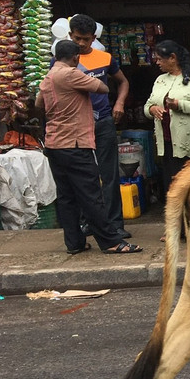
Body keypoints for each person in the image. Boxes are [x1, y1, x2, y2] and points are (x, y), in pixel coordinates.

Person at [39, 40, 143, 255]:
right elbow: (102, 88)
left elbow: (39, 103)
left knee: (67, 196)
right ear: (76, 57)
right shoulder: (70, 74)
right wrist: (84, 79)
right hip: (75, 142)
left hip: (54, 144)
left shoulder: (48, 77)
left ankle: (74, 243)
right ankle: (111, 241)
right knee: (91, 194)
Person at [67, 14, 132, 239]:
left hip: (103, 121)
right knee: (85, 176)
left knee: (110, 175)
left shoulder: (104, 58)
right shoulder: (61, 61)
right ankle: (88, 223)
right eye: (77, 39)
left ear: (94, 37)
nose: (82, 44)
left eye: (86, 39)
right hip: (75, 125)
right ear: (69, 36)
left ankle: (115, 225)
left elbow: (123, 81)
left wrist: (120, 102)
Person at [144, 40, 190, 194]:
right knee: (172, 188)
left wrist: (181, 105)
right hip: (167, 144)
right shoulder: (160, 80)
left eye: (159, 59)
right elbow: (147, 105)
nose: (157, 62)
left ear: (172, 58)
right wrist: (152, 109)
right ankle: (176, 218)